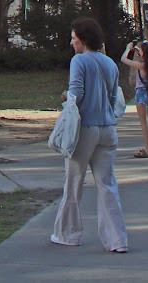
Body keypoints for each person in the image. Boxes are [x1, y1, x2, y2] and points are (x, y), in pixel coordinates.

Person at [51, 17, 128, 253]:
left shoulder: (79, 61)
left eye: (74, 38)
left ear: (83, 40)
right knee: (107, 185)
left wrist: (65, 96)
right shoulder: (110, 64)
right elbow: (114, 99)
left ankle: (68, 234)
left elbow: (77, 94)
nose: (71, 43)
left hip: (85, 130)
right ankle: (117, 240)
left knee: (73, 183)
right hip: (108, 129)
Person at [120, 36, 148, 157]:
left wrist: (128, 49)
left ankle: (147, 149)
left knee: (144, 123)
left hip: (141, 93)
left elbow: (123, 59)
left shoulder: (140, 65)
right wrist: (139, 51)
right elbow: (145, 55)